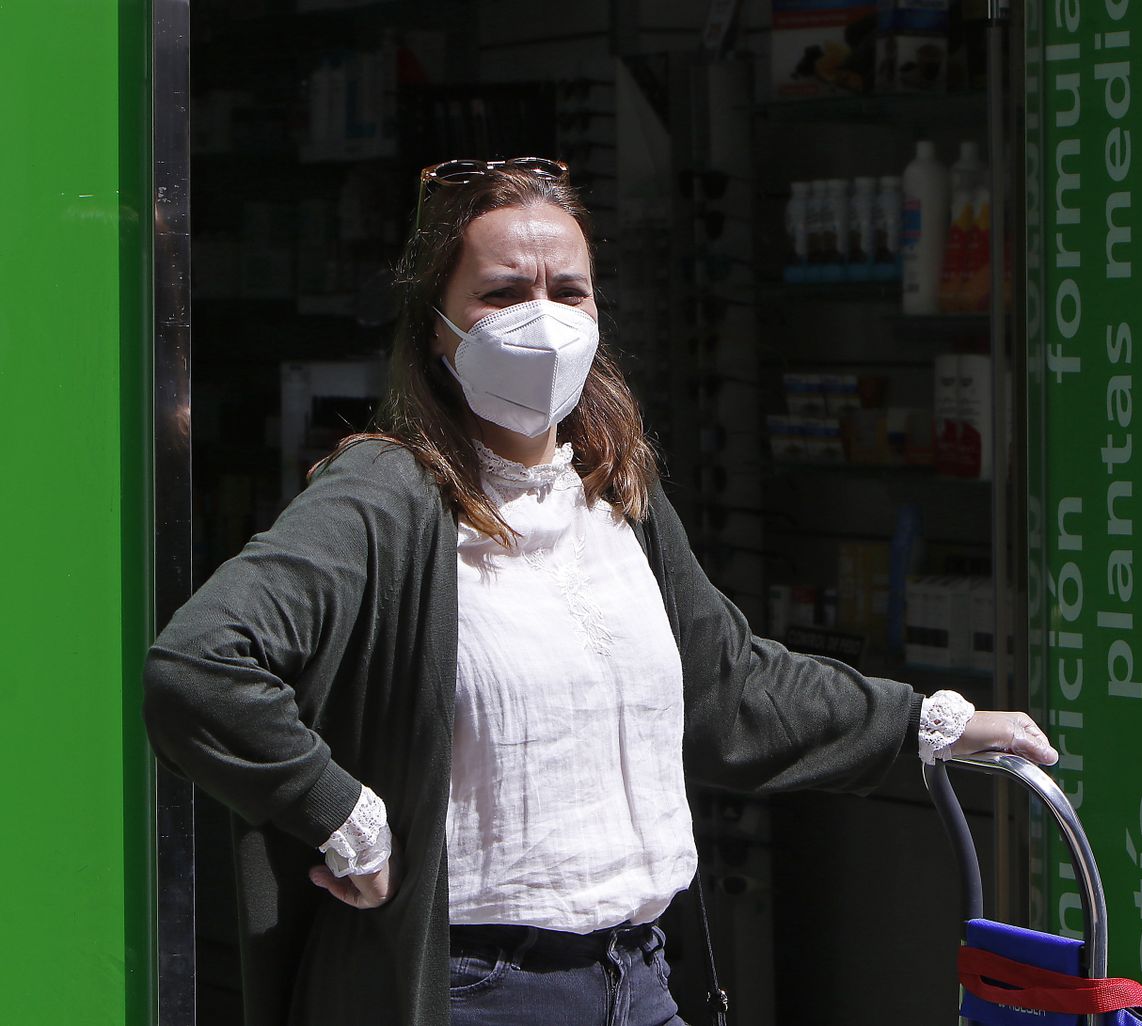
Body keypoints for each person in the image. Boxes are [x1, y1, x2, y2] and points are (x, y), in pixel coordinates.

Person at [143, 157, 1058, 1026]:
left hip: (639, 977)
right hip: (476, 988)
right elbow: (200, 666)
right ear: (435, 326)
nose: (541, 319)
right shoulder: (389, 493)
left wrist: (927, 725)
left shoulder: (615, 495)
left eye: (568, 290)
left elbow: (730, 689)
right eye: (503, 292)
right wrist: (341, 814)